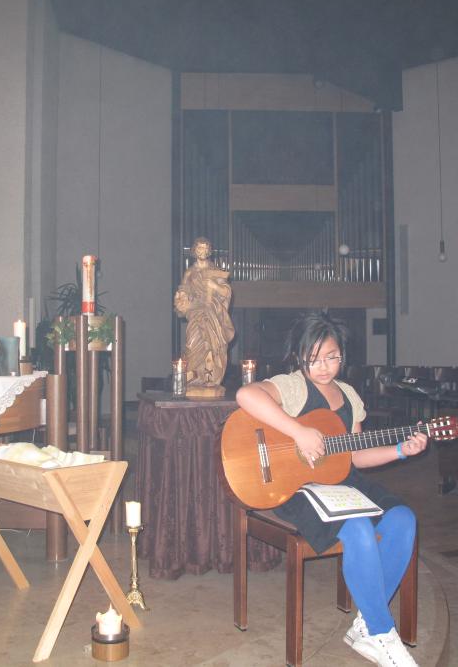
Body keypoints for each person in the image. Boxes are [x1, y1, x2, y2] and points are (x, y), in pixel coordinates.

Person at [235, 311, 426, 667]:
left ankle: (367, 624)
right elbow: (246, 394)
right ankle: (382, 633)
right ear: (299, 357)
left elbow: (355, 456)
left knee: (403, 518)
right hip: (298, 487)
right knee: (358, 527)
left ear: (343, 355)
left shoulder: (349, 395)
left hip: (342, 481)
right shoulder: (293, 386)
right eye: (314, 359)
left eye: (332, 357)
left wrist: (401, 450)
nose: (323, 367)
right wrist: (298, 431)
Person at [174, 237, 235, 389]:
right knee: (191, 344)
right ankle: (193, 377)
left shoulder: (215, 271)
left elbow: (226, 292)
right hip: (195, 312)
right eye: (200, 248)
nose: (202, 251)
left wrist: (214, 285)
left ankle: (209, 378)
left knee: (212, 345)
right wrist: (181, 298)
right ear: (194, 250)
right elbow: (184, 291)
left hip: (212, 312)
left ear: (209, 251)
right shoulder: (190, 272)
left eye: (205, 248)